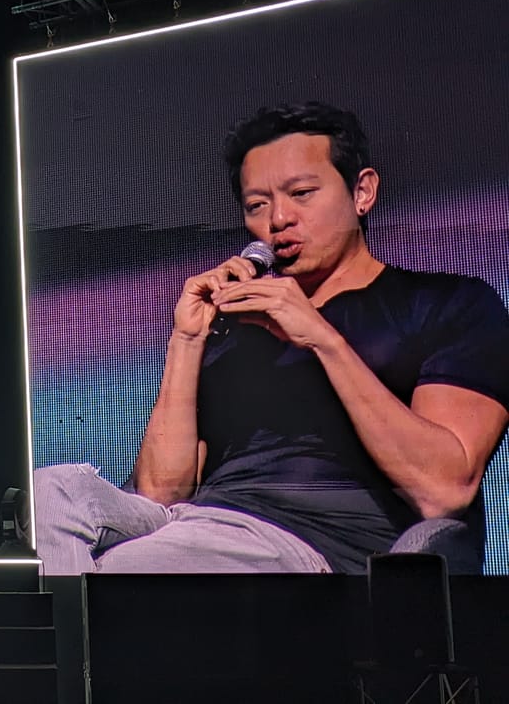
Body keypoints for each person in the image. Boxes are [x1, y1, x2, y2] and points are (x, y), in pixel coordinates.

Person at [35, 102, 509, 575]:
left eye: (301, 193)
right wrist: (187, 339)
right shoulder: (234, 328)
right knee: (48, 496)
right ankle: (86, 616)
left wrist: (322, 339)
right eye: (257, 205)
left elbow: (444, 489)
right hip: (194, 523)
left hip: (312, 542)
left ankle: (97, 608)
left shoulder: (447, 304)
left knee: (131, 568)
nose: (279, 219)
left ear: (362, 192)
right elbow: (160, 494)